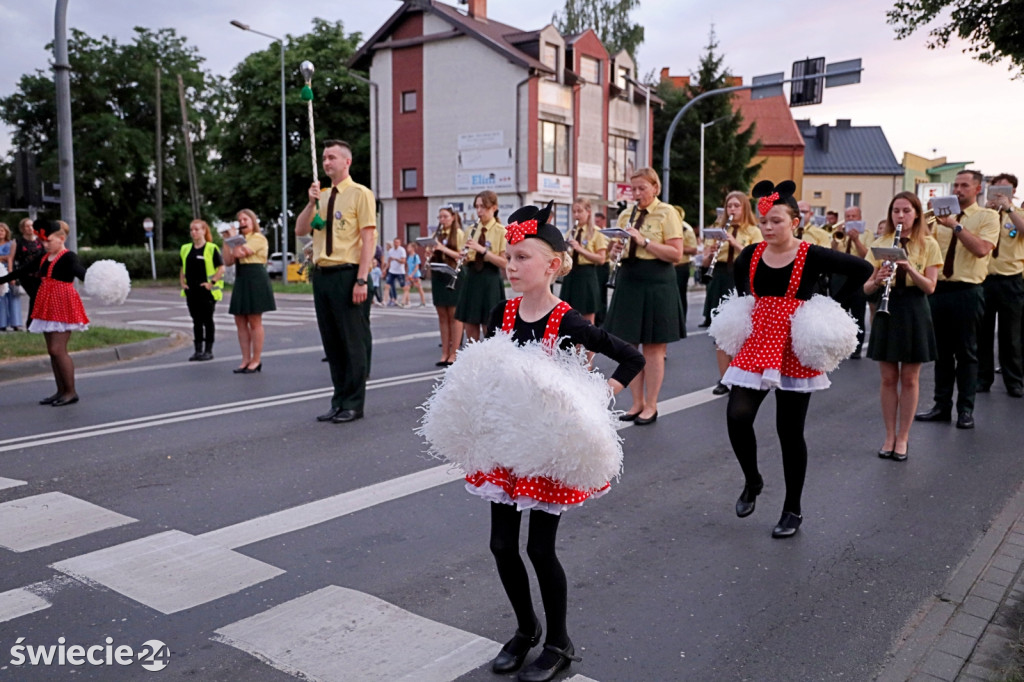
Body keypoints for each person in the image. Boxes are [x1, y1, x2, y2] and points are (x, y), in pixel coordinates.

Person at [474, 204, 644, 682]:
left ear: (552, 265)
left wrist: (600, 394)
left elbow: (630, 358)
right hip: (507, 443)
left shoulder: (567, 320)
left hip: (549, 451)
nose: (511, 265)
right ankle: (526, 629)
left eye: (522, 257)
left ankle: (559, 642)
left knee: (540, 550)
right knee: (501, 546)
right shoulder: (500, 313)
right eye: (509, 257)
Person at [721, 180, 872, 538]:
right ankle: (753, 479)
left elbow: (861, 270)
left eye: (777, 221)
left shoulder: (813, 254)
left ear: (795, 222)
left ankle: (792, 509)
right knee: (737, 415)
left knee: (789, 431)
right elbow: (742, 286)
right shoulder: (750, 254)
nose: (769, 228)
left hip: (794, 345)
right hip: (758, 342)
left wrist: (829, 301)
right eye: (764, 222)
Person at [295, 139, 377, 424]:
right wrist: (310, 202)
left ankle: (354, 403)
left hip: (347, 273)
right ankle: (339, 399)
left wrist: (362, 279)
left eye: (332, 157)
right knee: (332, 344)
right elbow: (301, 230)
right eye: (324, 158)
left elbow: (368, 239)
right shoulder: (323, 196)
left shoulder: (360, 194)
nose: (326, 162)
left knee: (352, 342)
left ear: (346, 162)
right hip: (322, 274)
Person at [916, 170, 1000, 429]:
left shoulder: (988, 216)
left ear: (977, 189)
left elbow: (981, 249)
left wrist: (955, 225)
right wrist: (927, 223)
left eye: (965, 185)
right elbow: (924, 249)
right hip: (940, 289)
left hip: (968, 290)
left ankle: (965, 409)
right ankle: (941, 405)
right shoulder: (938, 219)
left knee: (966, 352)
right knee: (941, 353)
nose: (958, 189)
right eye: (956, 185)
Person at [863, 192, 943, 461]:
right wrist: (878, 279)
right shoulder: (881, 243)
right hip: (888, 309)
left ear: (917, 214)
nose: (900, 216)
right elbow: (865, 287)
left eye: (906, 211)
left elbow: (930, 287)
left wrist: (908, 268)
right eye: (896, 211)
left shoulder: (929, 244)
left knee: (909, 378)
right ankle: (888, 435)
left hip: (914, 308)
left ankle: (904, 437)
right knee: (888, 378)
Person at [605, 167, 685, 425]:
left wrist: (644, 242)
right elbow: (612, 252)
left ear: (655, 188)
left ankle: (651, 404)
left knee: (653, 347)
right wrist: (615, 248)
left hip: (657, 280)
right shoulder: (627, 214)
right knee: (628, 346)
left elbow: (676, 254)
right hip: (630, 279)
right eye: (634, 189)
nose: (637, 194)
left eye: (642, 188)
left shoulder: (667, 212)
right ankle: (636, 401)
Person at [0, 220, 91, 406]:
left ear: (61, 239)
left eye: (48, 241)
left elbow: (82, 273)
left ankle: (71, 392)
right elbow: (22, 270)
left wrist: (99, 280)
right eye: (43, 241)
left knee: (57, 349)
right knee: (52, 352)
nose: (45, 244)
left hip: (63, 304)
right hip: (46, 304)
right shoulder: (43, 257)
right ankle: (60, 391)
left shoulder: (68, 257)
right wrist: (2, 279)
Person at [700, 190, 763, 394]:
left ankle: (741, 374)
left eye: (737, 206)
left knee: (741, 333)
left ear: (744, 207)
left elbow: (756, 256)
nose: (732, 209)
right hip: (720, 277)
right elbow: (705, 262)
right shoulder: (717, 229)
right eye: (729, 206)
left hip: (741, 279)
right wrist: (708, 255)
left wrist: (733, 242)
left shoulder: (753, 230)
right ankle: (725, 378)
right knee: (720, 333)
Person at [978, 173, 1024, 397]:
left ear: (1013, 192)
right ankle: (983, 378)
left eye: (1004, 190)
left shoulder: (1019, 214)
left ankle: (1014, 380)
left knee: (1010, 335)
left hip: (1011, 280)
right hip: (985, 279)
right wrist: (988, 210)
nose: (999, 194)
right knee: (982, 333)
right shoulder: (985, 215)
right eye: (995, 190)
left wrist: (1009, 209)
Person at [223, 209, 276, 374]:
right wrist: (226, 240)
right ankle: (245, 359)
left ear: (253, 222)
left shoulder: (258, 238)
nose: (242, 222)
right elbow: (229, 260)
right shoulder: (239, 240)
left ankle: (256, 359)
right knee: (239, 320)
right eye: (240, 220)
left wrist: (233, 239)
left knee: (254, 320)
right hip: (242, 277)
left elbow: (240, 252)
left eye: (245, 219)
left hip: (255, 277)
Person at [455, 190, 507, 343]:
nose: (479, 211)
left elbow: (504, 263)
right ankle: (473, 360)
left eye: (483, 207)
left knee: (489, 325)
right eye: (477, 207)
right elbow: (466, 257)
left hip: (490, 279)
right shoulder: (470, 230)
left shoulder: (501, 231)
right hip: (472, 277)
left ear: (494, 208)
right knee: (470, 324)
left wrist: (483, 251)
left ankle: (490, 362)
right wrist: (462, 258)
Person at [179, 219, 225, 361]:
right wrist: (182, 282)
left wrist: (211, 283)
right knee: (196, 321)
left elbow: (221, 268)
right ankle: (197, 350)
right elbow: (182, 267)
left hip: (207, 292)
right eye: (192, 229)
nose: (194, 232)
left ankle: (208, 350)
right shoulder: (185, 248)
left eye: (197, 229)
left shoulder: (211, 248)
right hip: (191, 290)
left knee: (207, 320)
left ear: (204, 231)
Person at [559, 197, 608, 325]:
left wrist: (580, 249)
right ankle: (571, 344)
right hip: (571, 275)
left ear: (588, 212)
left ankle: (586, 344)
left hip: (587, 275)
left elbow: (601, 259)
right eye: (574, 212)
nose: (576, 215)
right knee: (568, 314)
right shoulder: (571, 232)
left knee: (587, 317)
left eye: (579, 211)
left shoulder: (596, 233)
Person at [830, 205, 870, 358]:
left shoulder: (866, 233)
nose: (851, 219)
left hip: (858, 275)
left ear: (859, 217)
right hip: (840, 275)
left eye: (854, 216)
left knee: (858, 313)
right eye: (848, 217)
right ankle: (838, 348)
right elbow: (832, 251)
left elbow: (867, 255)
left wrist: (856, 240)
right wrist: (837, 236)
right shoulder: (839, 232)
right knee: (838, 314)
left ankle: (857, 349)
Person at [429, 205, 466, 366]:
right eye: (440, 217)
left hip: (454, 275)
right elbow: (433, 250)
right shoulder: (436, 234)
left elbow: (461, 255)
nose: (442, 220)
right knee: (442, 315)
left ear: (452, 218)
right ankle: (444, 352)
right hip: (439, 275)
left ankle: (454, 353)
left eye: (445, 217)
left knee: (454, 315)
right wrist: (429, 253)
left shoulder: (458, 233)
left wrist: (442, 248)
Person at [13, 218, 43, 329]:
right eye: (27, 226)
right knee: (35, 296)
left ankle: (36, 323)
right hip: (25, 275)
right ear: (22, 229)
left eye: (32, 226)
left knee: (38, 298)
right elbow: (13, 259)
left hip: (39, 275)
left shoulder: (40, 241)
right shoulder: (18, 242)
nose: (30, 228)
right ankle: (31, 324)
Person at [672, 206, 699, 327]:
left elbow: (693, 249)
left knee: (680, 293)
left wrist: (677, 248)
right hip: (668, 265)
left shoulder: (686, 228)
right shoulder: (667, 226)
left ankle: (681, 319)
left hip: (681, 266)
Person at [0, 223, 21, 331]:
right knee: (0, 298)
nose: (0, 233)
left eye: (2, 231)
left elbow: (10, 257)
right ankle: (1, 324)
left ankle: (16, 323)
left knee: (13, 296)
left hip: (9, 270)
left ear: (6, 232)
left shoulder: (11, 244)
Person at [593, 210, 611, 327]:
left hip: (604, 265)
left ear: (603, 221)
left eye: (598, 221)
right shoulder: (594, 232)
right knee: (595, 292)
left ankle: (602, 319)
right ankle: (596, 316)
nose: (596, 223)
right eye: (595, 221)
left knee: (602, 292)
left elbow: (608, 249)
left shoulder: (608, 233)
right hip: (594, 264)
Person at [402, 242, 426, 307]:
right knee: (406, 288)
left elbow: (416, 267)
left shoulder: (416, 256)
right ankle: (404, 302)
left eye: (409, 247)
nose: (407, 248)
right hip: (409, 275)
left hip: (416, 275)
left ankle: (423, 302)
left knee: (419, 288)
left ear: (413, 248)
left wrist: (412, 275)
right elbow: (407, 266)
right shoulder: (408, 256)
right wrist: (407, 274)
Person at [385, 238, 406, 306]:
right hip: (392, 271)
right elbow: (389, 261)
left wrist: (396, 259)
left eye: (397, 242)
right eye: (395, 242)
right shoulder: (391, 250)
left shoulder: (402, 250)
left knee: (403, 286)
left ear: (399, 243)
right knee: (387, 285)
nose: (396, 244)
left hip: (400, 271)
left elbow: (403, 261)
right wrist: (385, 269)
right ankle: (385, 301)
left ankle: (405, 301)